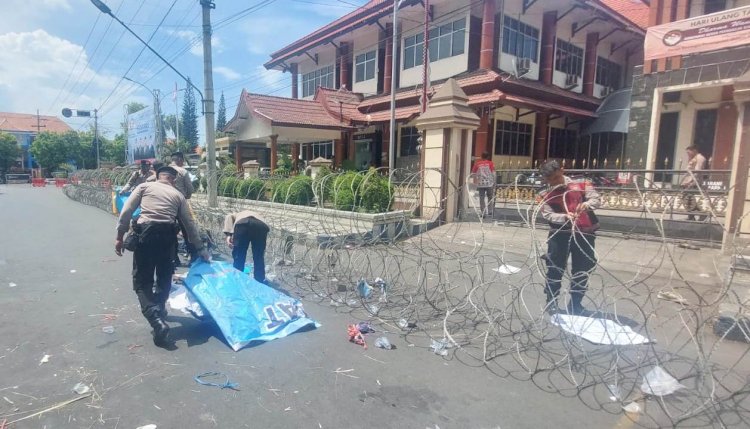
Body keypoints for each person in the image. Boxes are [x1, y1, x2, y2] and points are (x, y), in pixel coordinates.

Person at [115, 166, 210, 348]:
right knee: (165, 276)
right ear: (173, 180)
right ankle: (159, 307)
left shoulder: (144, 187)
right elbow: (189, 225)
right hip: (168, 237)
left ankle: (155, 318)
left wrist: (119, 237)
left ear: (156, 177)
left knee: (142, 281)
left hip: (146, 235)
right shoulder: (178, 196)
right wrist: (201, 249)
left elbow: (126, 211)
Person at [538, 160, 600, 315]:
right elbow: (548, 214)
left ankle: (576, 304)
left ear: (562, 170)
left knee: (582, 268)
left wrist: (587, 205)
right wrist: (564, 217)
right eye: (550, 180)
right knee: (555, 268)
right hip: (560, 234)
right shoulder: (544, 193)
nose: (554, 182)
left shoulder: (581, 183)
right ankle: (551, 302)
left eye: (556, 178)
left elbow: (596, 199)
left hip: (584, 233)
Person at [224, 210, 269, 283]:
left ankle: (237, 279)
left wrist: (228, 235)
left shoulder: (236, 214)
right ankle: (259, 280)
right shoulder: (257, 214)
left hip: (243, 224)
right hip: (261, 226)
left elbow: (228, 216)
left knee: (239, 255)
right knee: (259, 257)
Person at [680, 145, 707, 221]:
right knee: (687, 198)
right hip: (687, 182)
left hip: (693, 182)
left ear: (694, 150)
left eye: (689, 152)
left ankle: (701, 214)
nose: (688, 154)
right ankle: (691, 216)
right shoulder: (693, 158)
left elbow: (697, 171)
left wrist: (691, 182)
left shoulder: (700, 158)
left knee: (688, 197)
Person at [471, 151, 496, 218]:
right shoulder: (490, 163)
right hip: (489, 183)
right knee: (490, 197)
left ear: (481, 157)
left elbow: (473, 174)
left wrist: (474, 183)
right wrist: (494, 182)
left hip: (481, 184)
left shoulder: (477, 164)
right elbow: (493, 173)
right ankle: (490, 211)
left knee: (481, 198)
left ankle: (483, 212)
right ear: (488, 157)